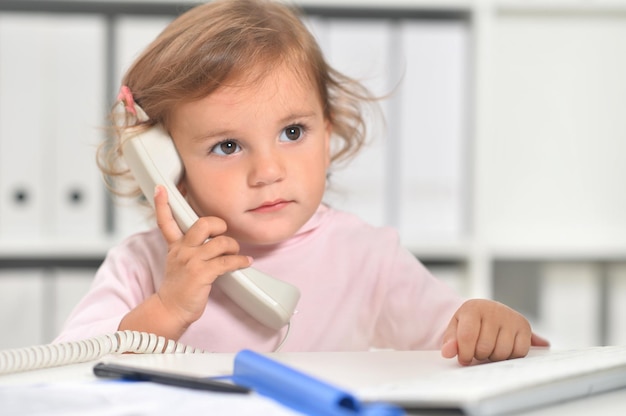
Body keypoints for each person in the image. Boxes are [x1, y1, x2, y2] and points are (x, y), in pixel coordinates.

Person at [56, 0, 548, 365]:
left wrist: (485, 321)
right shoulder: (143, 265)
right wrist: (166, 309)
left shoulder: (366, 256)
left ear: (328, 130)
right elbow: (72, 366)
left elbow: (454, 333)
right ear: (165, 164)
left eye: (293, 132)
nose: (268, 171)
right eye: (228, 146)